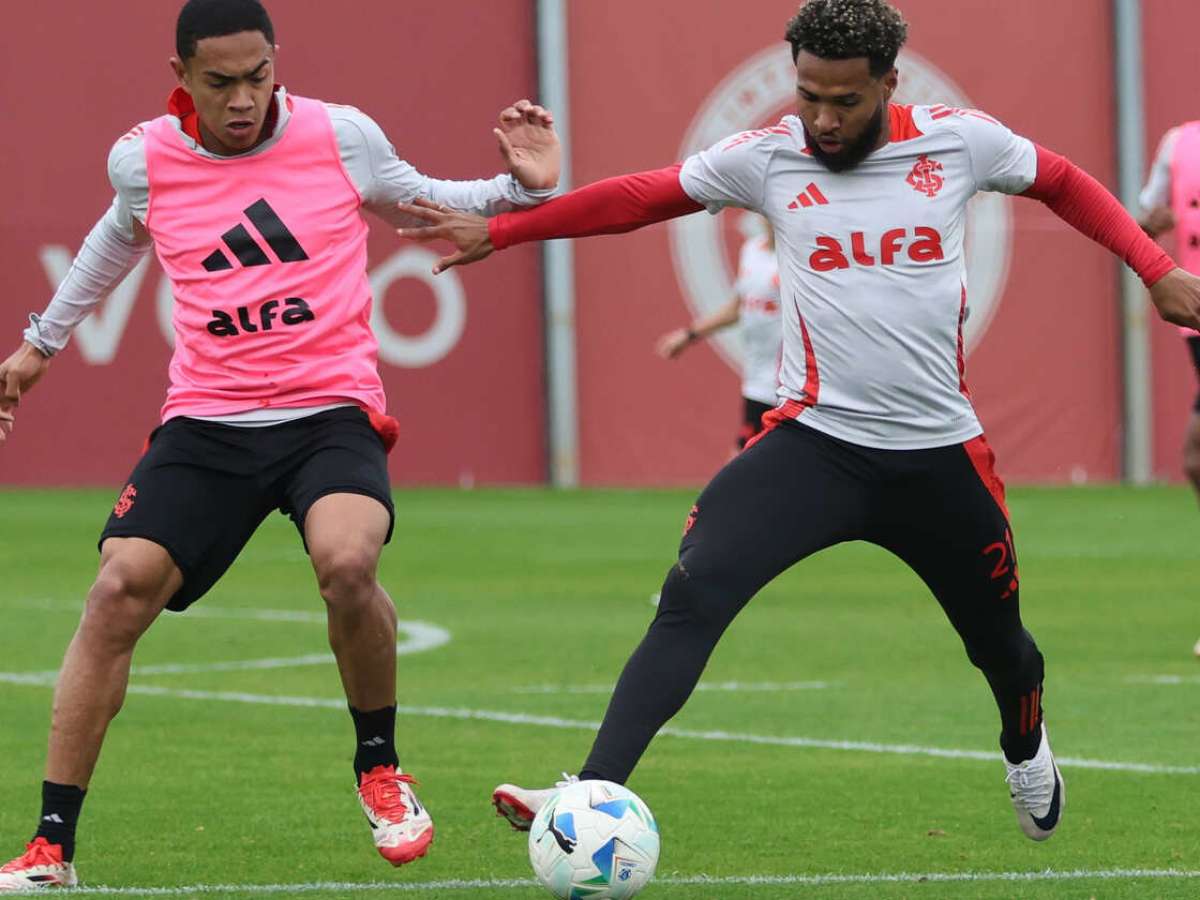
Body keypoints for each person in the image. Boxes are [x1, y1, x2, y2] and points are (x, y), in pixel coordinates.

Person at [395, 0, 1200, 844]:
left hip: (938, 457)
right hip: (815, 448)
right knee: (692, 594)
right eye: (808, 95)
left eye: (845, 100)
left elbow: (1063, 182)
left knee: (1004, 649)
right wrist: (507, 229)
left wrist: (1156, 269)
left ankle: (1026, 748)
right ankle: (590, 796)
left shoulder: (960, 144)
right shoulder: (768, 157)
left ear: (889, 83)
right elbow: (638, 198)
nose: (822, 118)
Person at [0, 0, 560, 889]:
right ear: (181, 77)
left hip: (328, 411)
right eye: (219, 82)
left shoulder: (340, 137)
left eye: (257, 77)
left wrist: (522, 189)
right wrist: (39, 346)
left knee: (347, 560)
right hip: (208, 421)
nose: (242, 100)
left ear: (275, 63)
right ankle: (50, 848)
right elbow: (116, 235)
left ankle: (379, 769)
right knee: (115, 591)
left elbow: (431, 199)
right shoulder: (144, 159)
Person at [1137, 123, 1200, 657]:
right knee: (1197, 459)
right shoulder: (1180, 144)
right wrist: (1152, 227)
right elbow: (1146, 214)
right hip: (1196, 316)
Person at [655, 216, 782, 453]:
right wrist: (689, 334)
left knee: (748, 461)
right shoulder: (752, 249)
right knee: (748, 458)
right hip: (758, 382)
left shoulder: (798, 258)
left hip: (789, 385)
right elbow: (737, 308)